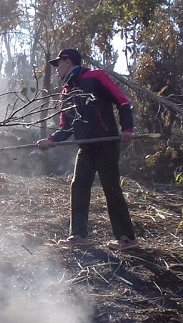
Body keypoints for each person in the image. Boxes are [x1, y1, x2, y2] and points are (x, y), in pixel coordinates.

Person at [36, 48, 139, 251]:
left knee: (111, 188)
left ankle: (126, 238)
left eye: (58, 64)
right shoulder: (66, 92)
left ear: (68, 61)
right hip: (86, 147)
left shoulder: (95, 77)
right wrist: (50, 140)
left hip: (106, 144)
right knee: (79, 185)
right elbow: (66, 127)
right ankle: (78, 235)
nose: (56, 70)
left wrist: (127, 128)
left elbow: (123, 102)